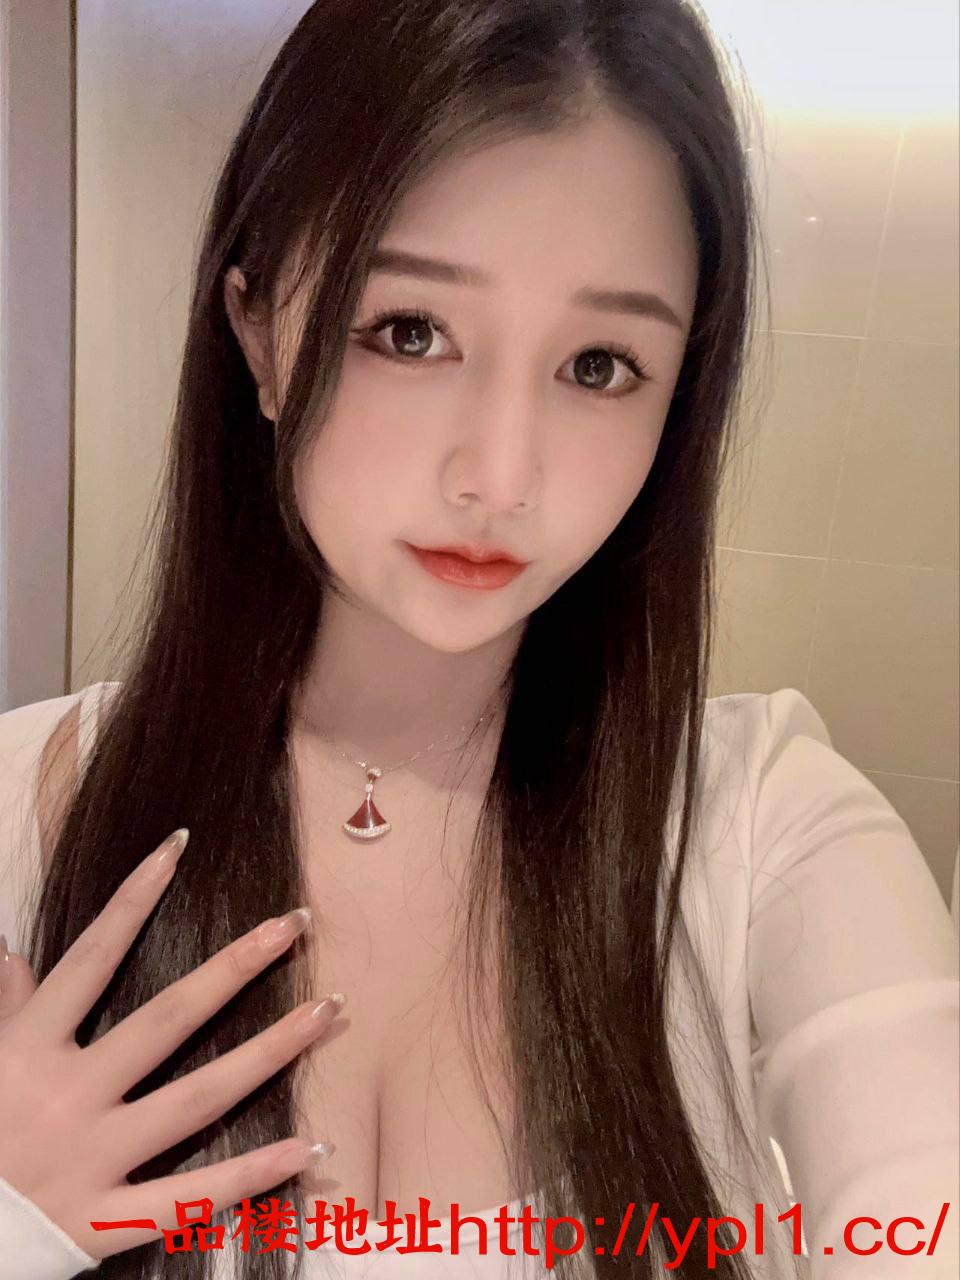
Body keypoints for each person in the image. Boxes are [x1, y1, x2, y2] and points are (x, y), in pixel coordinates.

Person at [0, 1, 957, 1277]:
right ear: (258, 330)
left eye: (600, 364)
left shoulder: (764, 834)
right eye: (411, 331)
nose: (501, 475)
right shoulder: (25, 811)